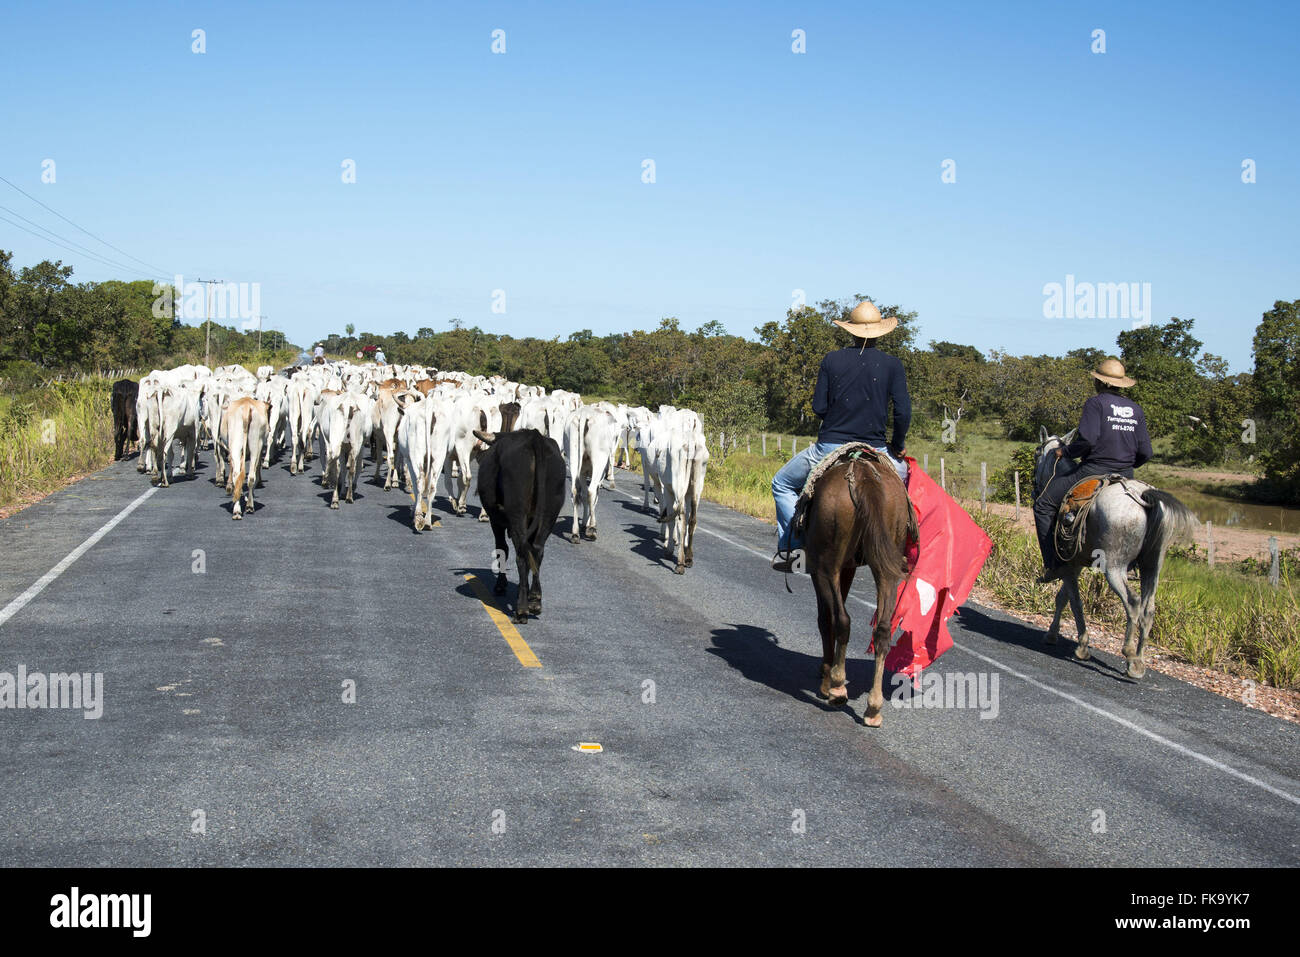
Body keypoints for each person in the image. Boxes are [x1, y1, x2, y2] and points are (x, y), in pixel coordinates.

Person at [770, 301, 910, 573]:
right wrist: (898, 445)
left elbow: (818, 408)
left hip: (830, 447)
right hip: (877, 448)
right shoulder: (893, 365)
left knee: (782, 484)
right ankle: (902, 548)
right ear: (881, 332)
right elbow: (903, 412)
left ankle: (793, 548)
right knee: (905, 492)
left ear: (850, 331)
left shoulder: (832, 360)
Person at [1033, 357, 1152, 583]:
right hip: (1126, 475)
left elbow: (1087, 441)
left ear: (1101, 383)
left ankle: (1053, 565)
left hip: (1094, 470)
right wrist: (1126, 466)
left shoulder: (1096, 403)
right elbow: (1146, 452)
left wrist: (1065, 452)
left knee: (1044, 504)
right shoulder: (1136, 409)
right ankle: (1132, 564)